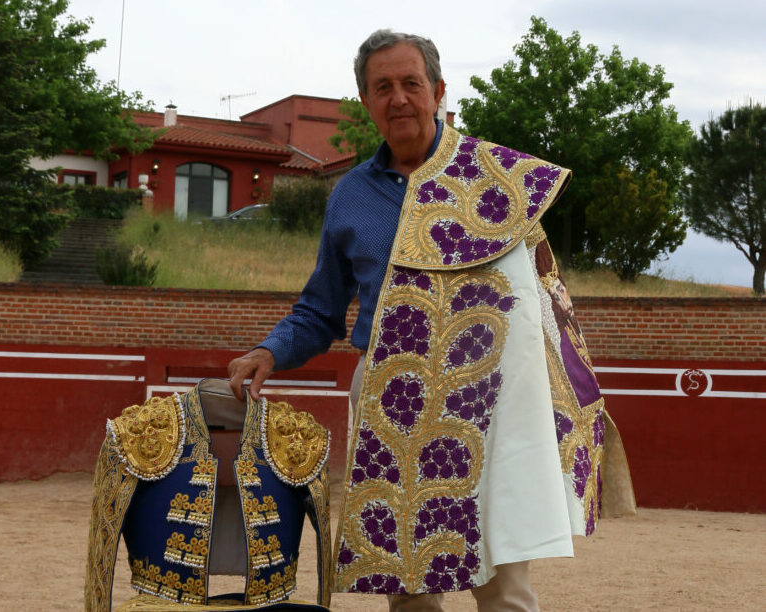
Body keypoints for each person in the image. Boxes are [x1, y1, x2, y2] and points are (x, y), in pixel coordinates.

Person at [229, 29, 634, 612]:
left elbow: (542, 299)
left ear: (439, 90)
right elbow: (322, 307)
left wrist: (574, 399)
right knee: (410, 592)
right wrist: (271, 350)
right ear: (366, 101)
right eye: (382, 87)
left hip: (485, 403)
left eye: (411, 84)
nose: (398, 98)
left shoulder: (493, 180)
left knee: (505, 589)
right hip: (389, 404)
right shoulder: (349, 198)